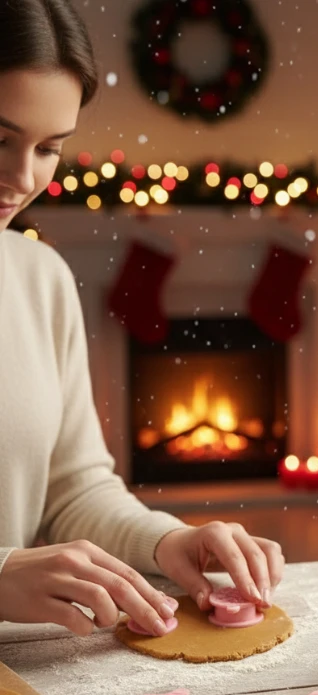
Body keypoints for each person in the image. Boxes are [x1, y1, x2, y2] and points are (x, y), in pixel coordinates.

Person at [0, 0, 284, 637]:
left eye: (48, 148)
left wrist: (166, 542)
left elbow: (72, 491)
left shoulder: (39, 279)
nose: (21, 178)